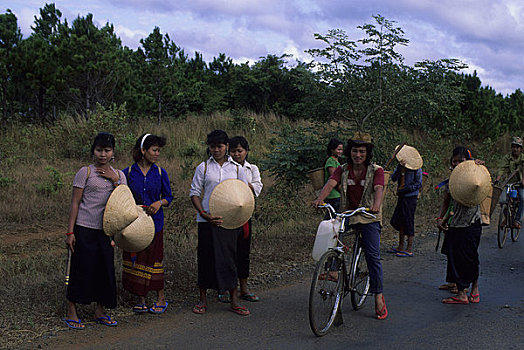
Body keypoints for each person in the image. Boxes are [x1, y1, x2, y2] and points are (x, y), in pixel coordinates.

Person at [312, 131, 388, 320]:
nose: (358, 155)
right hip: (348, 213)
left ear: (367, 153)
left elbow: (379, 188)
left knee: (372, 256)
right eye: (354, 151)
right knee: (332, 238)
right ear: (349, 151)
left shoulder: (376, 170)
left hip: (369, 215)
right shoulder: (342, 168)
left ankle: (378, 295)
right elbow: (331, 183)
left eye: (362, 151)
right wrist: (319, 199)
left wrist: (377, 205)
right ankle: (334, 269)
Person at [64, 132, 126, 329]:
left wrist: (113, 178)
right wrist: (70, 232)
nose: (103, 154)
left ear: (113, 153)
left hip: (106, 231)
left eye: (107, 150)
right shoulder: (85, 172)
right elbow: (75, 203)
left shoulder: (120, 175)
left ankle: (100, 310)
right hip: (84, 228)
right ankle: (71, 310)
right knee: (81, 268)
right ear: (93, 151)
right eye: (99, 150)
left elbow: (124, 202)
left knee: (104, 270)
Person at [189, 130, 251, 316]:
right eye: (212, 146)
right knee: (205, 258)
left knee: (230, 259)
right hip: (207, 221)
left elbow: (244, 194)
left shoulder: (238, 169)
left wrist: (242, 217)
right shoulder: (204, 168)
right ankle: (202, 300)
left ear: (227, 147)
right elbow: (194, 193)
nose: (216, 150)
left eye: (220, 146)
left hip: (230, 222)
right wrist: (204, 213)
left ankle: (234, 301)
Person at [122, 133, 173, 314]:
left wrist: (159, 203)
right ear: (143, 151)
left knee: (155, 257)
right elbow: (121, 196)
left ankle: (160, 297)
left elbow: (169, 196)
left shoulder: (160, 173)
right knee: (137, 257)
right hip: (134, 223)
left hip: (155, 223)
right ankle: (140, 298)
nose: (157, 153)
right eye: (154, 150)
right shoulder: (128, 173)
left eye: (159, 150)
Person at [437, 146, 483, 304]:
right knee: (455, 257)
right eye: (454, 161)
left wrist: (476, 167)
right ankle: (462, 291)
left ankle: (473, 289)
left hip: (471, 223)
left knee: (471, 257)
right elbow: (446, 199)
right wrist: (440, 218)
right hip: (455, 223)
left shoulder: (474, 175)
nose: (457, 164)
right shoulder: (452, 179)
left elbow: (481, 181)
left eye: (461, 161)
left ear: (467, 161)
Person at [228, 136, 263, 302]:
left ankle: (244, 288)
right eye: (233, 151)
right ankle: (226, 288)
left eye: (239, 151)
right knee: (227, 252)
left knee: (243, 252)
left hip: (245, 214)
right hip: (227, 214)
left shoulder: (252, 168)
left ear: (246, 151)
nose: (236, 154)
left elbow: (257, 187)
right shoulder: (226, 168)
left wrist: (242, 182)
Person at [389, 147, 423, 257]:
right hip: (402, 196)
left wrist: (406, 188)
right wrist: (400, 167)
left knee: (408, 221)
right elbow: (393, 178)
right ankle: (400, 246)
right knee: (399, 220)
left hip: (410, 197)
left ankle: (409, 248)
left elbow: (418, 184)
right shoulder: (401, 166)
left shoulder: (416, 169)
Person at [495, 136, 524, 229]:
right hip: (509, 183)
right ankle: (507, 217)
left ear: (521, 149)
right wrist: (498, 178)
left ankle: (517, 220)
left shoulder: (523, 158)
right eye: (513, 147)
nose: (515, 149)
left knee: (523, 198)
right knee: (503, 201)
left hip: (520, 183)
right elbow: (502, 168)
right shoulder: (507, 157)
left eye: (517, 147)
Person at [323, 138, 344, 214]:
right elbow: (335, 179)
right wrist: (342, 191)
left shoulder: (337, 161)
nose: (340, 152)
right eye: (338, 149)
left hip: (337, 195)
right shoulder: (331, 161)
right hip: (333, 196)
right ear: (332, 150)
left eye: (341, 150)